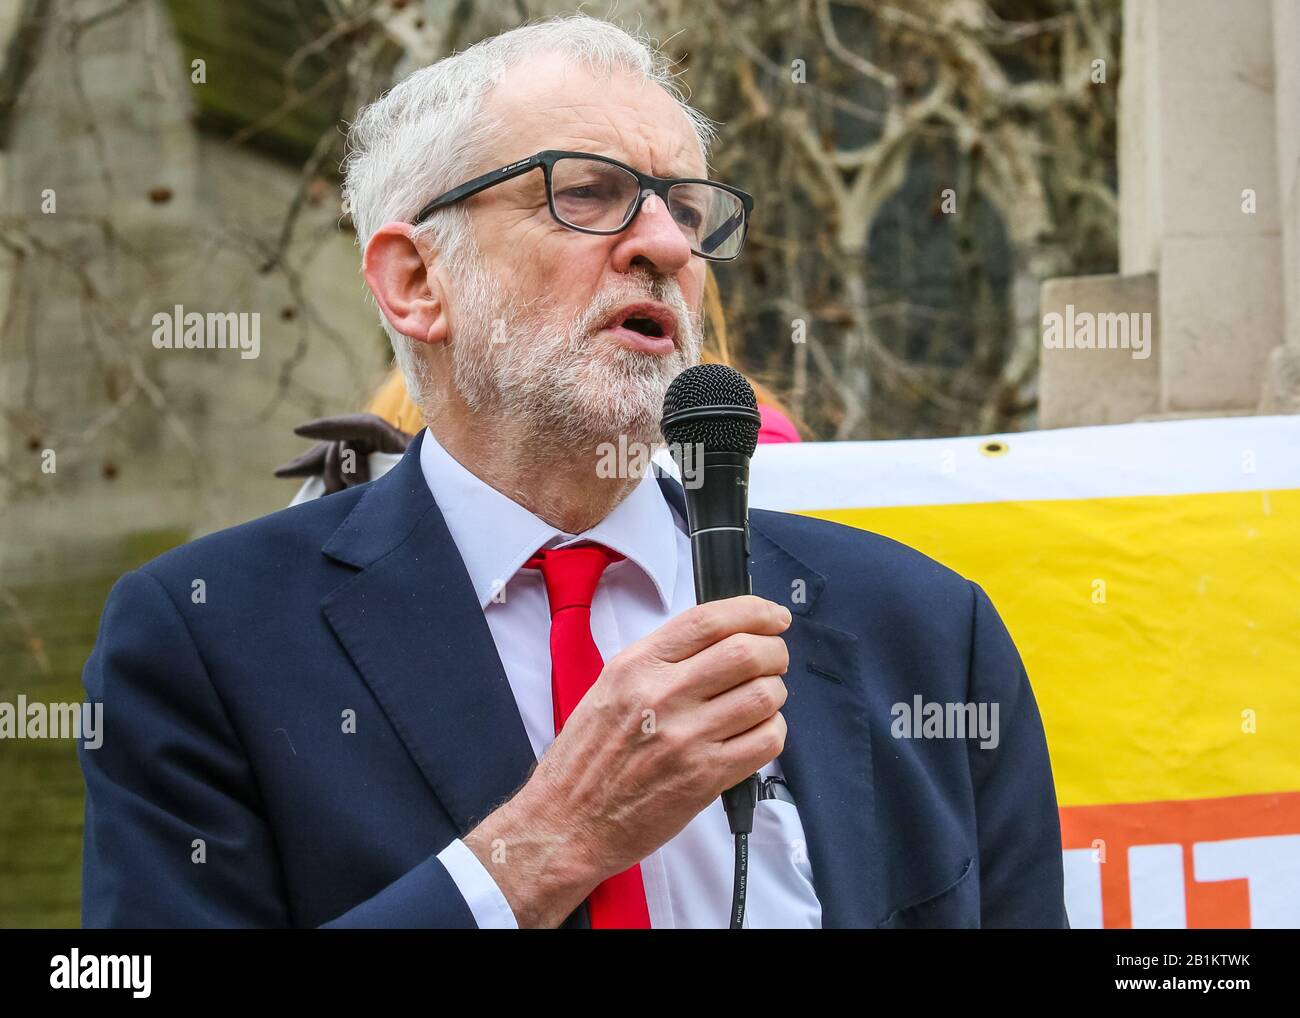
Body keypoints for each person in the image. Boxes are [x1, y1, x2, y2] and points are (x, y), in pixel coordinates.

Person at [79, 15, 1068, 928]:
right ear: (417, 281)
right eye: (586, 192)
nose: (666, 245)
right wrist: (545, 847)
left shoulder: (927, 630)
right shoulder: (204, 638)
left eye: (687, 208)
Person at [275, 270, 801, 496]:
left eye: (686, 217)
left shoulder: (732, 418)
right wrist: (396, 491)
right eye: (580, 201)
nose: (659, 249)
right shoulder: (406, 400)